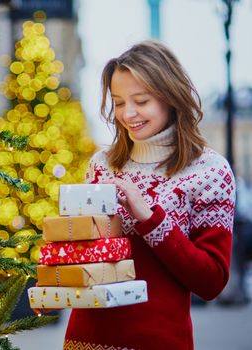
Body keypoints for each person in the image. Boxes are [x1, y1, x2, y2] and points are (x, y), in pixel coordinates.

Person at [63, 40, 236, 350]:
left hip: (158, 341)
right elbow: (85, 257)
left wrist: (150, 218)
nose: (128, 114)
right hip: (86, 338)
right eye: (118, 102)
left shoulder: (209, 171)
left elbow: (211, 282)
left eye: (141, 100)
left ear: (171, 96)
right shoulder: (101, 165)